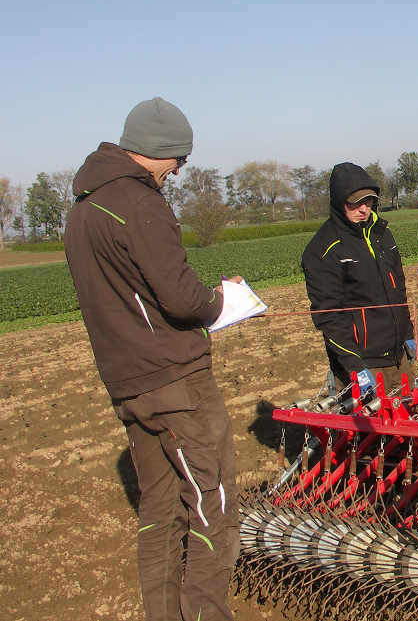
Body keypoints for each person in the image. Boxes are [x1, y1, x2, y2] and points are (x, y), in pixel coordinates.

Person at [65, 97, 240, 621]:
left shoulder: (82, 210)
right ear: (157, 150)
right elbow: (183, 298)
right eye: (179, 160)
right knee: (216, 502)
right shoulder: (139, 203)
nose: (179, 171)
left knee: (159, 509)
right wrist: (223, 301)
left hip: (128, 384)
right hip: (175, 381)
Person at [301, 163, 416, 392]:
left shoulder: (382, 234)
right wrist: (356, 368)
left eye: (369, 201)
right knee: (370, 427)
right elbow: (328, 316)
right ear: (340, 202)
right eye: (356, 203)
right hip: (365, 364)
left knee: (412, 419)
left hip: (398, 358)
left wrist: (408, 333)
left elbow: (398, 289)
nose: (364, 209)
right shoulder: (324, 249)